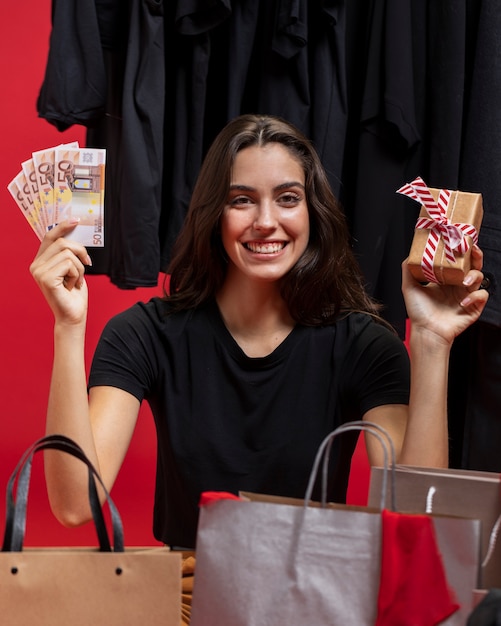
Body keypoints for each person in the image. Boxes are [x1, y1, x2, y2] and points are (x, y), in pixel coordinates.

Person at [30, 114, 488, 623]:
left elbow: (416, 514)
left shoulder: (362, 343)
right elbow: (75, 505)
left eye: (288, 198)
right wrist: (68, 328)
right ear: (213, 213)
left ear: (312, 213)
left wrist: (429, 341)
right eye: (241, 199)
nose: (265, 221)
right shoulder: (145, 333)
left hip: (317, 600)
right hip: (189, 600)